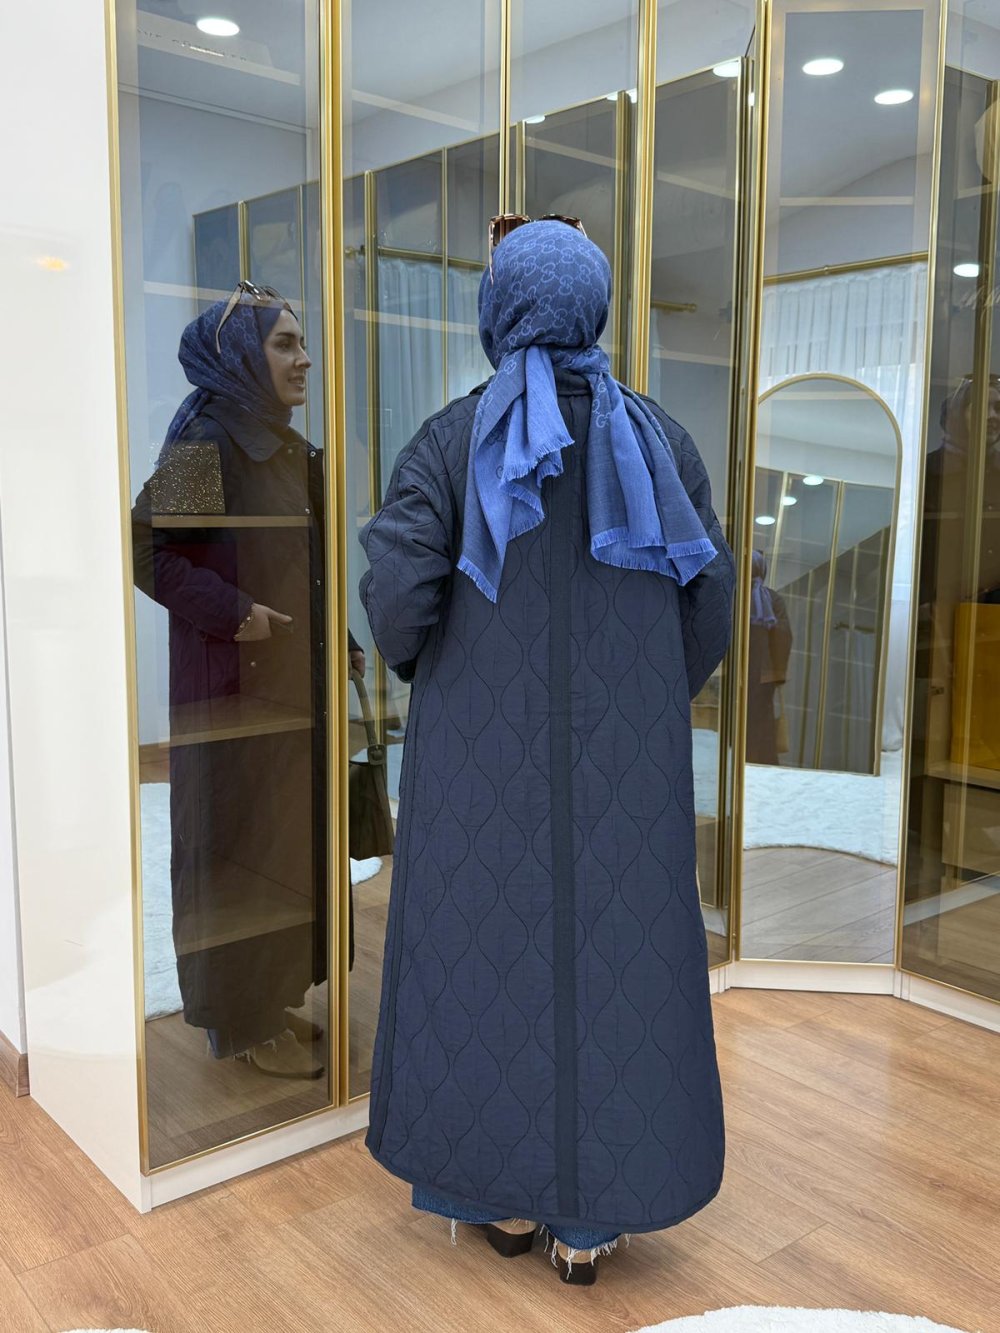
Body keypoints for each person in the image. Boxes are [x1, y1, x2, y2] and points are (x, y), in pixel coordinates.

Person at [359, 219, 735, 1284]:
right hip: (628, 770)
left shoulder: (447, 442)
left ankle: (507, 1202)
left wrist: (453, 676)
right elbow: (708, 605)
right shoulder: (661, 441)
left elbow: (395, 609)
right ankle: (590, 1223)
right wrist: (643, 701)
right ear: (593, 308)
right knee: (621, 970)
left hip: (476, 768)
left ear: (499, 311)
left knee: (482, 961)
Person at [132, 281, 330, 1080]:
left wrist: (340, 640)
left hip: (284, 688)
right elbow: (146, 550)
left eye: (301, 342)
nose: (305, 358)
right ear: (244, 355)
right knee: (233, 852)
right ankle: (239, 1021)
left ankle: (270, 999)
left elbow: (302, 564)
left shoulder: (277, 443)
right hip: (232, 696)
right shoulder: (209, 439)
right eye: (285, 343)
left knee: (280, 847)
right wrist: (236, 612)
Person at [745, 549, 792, 765]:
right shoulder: (772, 599)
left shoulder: (734, 594)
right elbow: (783, 638)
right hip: (763, 676)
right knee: (760, 722)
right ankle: (757, 765)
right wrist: (778, 673)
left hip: (735, 674)